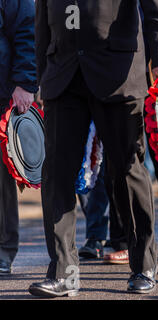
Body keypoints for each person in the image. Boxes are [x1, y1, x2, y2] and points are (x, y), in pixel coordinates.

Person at [29, 0, 158, 297]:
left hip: (117, 74)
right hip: (63, 75)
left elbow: (156, 10)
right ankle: (63, 272)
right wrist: (42, 78)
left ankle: (143, 266)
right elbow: (42, 20)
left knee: (127, 169)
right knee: (57, 174)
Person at [0, 0, 38, 276]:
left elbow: (27, 29)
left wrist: (25, 82)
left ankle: (3, 251)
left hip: (2, 91)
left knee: (0, 181)